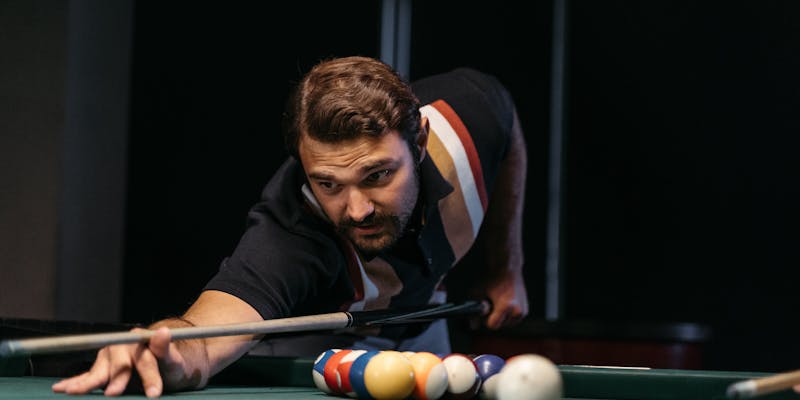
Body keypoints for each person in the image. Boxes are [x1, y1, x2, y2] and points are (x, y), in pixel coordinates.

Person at [52, 55, 529, 398]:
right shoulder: (292, 234)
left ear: (419, 143)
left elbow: (509, 127)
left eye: (378, 175)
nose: (357, 209)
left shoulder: (470, 117)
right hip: (319, 352)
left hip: (421, 319)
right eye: (329, 182)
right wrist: (165, 352)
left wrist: (507, 268)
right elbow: (202, 335)